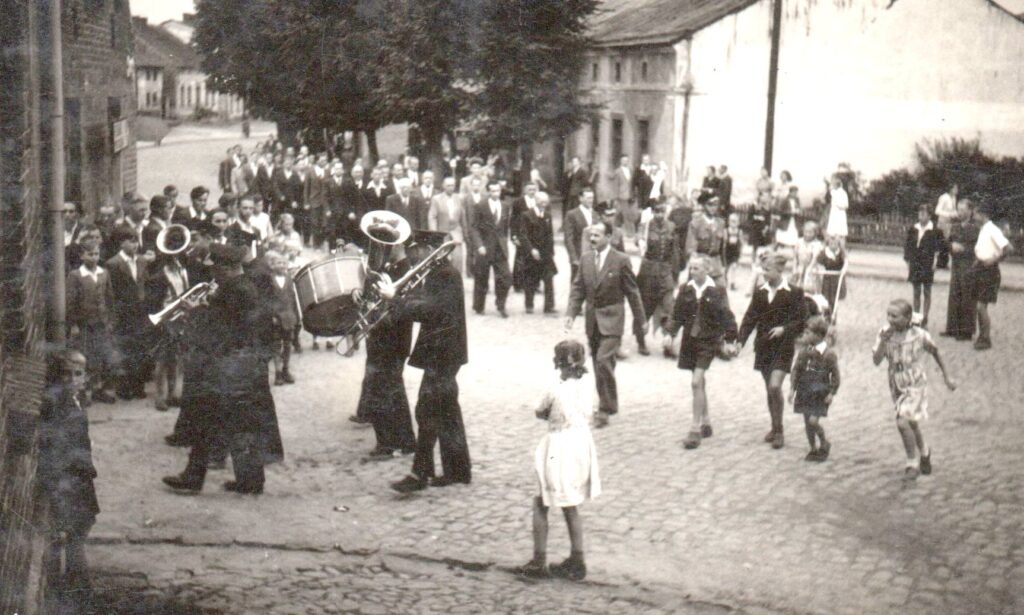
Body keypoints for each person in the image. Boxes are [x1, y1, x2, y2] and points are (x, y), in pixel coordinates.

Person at [163, 243, 283, 495]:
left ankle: (197, 477)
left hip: (233, 368)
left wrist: (196, 312)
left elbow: (224, 328)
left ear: (227, 268)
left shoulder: (239, 291)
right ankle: (247, 480)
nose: (212, 274)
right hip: (237, 368)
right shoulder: (236, 287)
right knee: (234, 424)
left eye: (216, 268)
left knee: (220, 421)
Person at [385, 231, 471, 492]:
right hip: (442, 351)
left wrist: (395, 299)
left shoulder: (445, 274)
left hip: (444, 352)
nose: (415, 253)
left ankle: (420, 474)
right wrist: (400, 299)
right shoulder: (437, 273)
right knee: (446, 410)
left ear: (430, 249)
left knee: (427, 409)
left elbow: (432, 310)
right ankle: (458, 470)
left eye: (419, 248)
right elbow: (424, 303)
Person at [515, 340, 600, 581]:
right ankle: (577, 558)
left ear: (558, 363)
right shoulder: (587, 383)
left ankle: (538, 560)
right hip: (581, 443)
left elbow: (539, 410)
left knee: (542, 501)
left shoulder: (554, 387)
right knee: (570, 503)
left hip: (559, 447)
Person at [565, 222, 646, 428]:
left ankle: (605, 408)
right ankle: (606, 401)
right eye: (591, 235)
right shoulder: (586, 259)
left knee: (602, 360)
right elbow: (578, 289)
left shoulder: (621, 260)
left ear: (609, 237)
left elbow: (632, 292)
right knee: (599, 363)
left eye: (597, 236)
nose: (592, 239)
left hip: (612, 319)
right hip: (593, 320)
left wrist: (641, 319)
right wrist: (571, 313)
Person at [39, 350, 100, 601]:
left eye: (78, 374)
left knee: (78, 531)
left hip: (80, 477)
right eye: (66, 373)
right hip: (67, 479)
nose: (71, 379)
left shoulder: (75, 399)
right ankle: (76, 592)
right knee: (69, 534)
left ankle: (76, 588)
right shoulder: (57, 402)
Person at [872, 299, 957, 480]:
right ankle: (925, 451)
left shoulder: (919, 335)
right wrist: (882, 343)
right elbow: (876, 360)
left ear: (907, 317)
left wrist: (947, 376)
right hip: (896, 383)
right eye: (888, 315)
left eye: (895, 316)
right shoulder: (884, 334)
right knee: (911, 423)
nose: (890, 319)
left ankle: (912, 463)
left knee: (902, 422)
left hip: (915, 382)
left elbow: (935, 351)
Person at [663, 256, 737, 449]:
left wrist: (730, 340)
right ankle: (706, 421)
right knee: (700, 382)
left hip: (708, 341)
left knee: (696, 381)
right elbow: (677, 314)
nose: (692, 271)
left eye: (696, 268)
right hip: (690, 340)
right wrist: (670, 333)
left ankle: (694, 430)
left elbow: (727, 316)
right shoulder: (686, 289)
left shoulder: (717, 290)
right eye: (691, 268)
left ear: (707, 270)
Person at [737, 252, 807, 449]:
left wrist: (785, 329)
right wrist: (740, 341)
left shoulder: (794, 292)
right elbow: (750, 318)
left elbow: (802, 320)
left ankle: (780, 430)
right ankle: (775, 427)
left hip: (783, 347)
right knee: (769, 389)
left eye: (767, 269)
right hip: (764, 346)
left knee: (775, 386)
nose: (763, 272)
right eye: (763, 269)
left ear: (779, 270)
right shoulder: (760, 292)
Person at [356, 244, 417, 455]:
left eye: (386, 244)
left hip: (394, 338)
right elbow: (372, 296)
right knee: (385, 389)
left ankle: (393, 442)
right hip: (379, 337)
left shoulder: (407, 270)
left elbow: (406, 307)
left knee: (388, 390)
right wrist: (360, 297)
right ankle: (398, 441)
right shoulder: (384, 267)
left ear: (398, 245)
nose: (380, 247)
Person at [66, 244, 117, 405]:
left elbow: (110, 298)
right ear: (82, 256)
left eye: (96, 254)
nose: (94, 257)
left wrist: (110, 320)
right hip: (85, 324)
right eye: (90, 254)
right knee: (86, 357)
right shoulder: (76, 275)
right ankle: (84, 392)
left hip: (101, 323)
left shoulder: (104, 273)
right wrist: (73, 325)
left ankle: (98, 389)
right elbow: (70, 303)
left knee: (102, 357)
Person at [789, 316, 840, 462]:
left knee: (813, 421)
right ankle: (812, 448)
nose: (804, 336)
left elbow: (835, 375)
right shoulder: (804, 352)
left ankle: (824, 442)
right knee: (807, 422)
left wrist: (832, 392)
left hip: (820, 393)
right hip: (804, 391)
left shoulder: (829, 354)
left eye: (807, 333)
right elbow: (796, 370)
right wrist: (792, 388)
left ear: (818, 335)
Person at [106, 226, 148, 400]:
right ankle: (124, 387)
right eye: (131, 241)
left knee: (140, 349)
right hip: (124, 313)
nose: (135, 244)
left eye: (136, 241)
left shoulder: (142, 261)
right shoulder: (113, 264)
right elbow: (111, 292)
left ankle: (138, 386)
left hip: (140, 312)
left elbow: (144, 284)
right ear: (121, 243)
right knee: (125, 350)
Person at [971, 202, 1013, 350]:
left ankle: (986, 338)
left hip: (989, 272)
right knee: (979, 306)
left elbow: (1008, 248)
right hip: (981, 269)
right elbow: (984, 250)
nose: (974, 216)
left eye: (976, 213)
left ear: (983, 214)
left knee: (981, 306)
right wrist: (978, 261)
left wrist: (994, 260)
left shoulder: (992, 229)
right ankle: (982, 336)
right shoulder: (983, 229)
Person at [636, 201, 676, 355]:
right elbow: (638, 239)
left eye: (662, 211)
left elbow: (674, 250)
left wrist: (674, 272)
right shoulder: (645, 227)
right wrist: (640, 242)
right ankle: (641, 341)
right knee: (645, 307)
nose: (659, 215)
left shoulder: (671, 226)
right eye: (656, 212)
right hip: (648, 272)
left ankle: (668, 343)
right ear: (652, 212)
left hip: (665, 272)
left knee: (669, 307)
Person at [468, 182, 512, 317]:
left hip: (500, 248)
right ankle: (479, 306)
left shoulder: (505, 206)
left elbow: (505, 227)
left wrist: (505, 242)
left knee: (505, 277)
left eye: (497, 191)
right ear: (488, 192)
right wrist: (479, 245)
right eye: (492, 191)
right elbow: (474, 227)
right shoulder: (480, 206)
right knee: (481, 278)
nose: (495, 194)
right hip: (485, 248)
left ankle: (501, 305)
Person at [941, 197, 979, 341]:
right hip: (956, 265)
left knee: (968, 297)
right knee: (954, 295)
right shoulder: (955, 226)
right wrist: (951, 247)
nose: (960, 212)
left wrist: (963, 248)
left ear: (970, 211)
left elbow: (978, 247)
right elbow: (947, 242)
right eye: (958, 209)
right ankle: (952, 328)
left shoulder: (975, 228)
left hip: (969, 265)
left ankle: (966, 331)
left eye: (963, 210)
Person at [518, 190, 557, 314]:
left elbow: (550, 235)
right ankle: (529, 304)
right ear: (535, 201)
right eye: (541, 202)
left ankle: (549, 306)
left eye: (546, 202)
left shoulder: (547, 216)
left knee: (549, 279)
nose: (543, 204)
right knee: (531, 279)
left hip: (545, 253)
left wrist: (551, 251)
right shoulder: (526, 215)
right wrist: (531, 249)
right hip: (532, 253)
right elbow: (523, 235)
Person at [903, 205, 942, 328]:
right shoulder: (913, 229)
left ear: (929, 216)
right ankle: (916, 317)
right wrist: (908, 261)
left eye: (924, 214)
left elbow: (939, 249)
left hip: (927, 264)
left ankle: (925, 318)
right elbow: (908, 246)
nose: (921, 216)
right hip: (915, 263)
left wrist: (937, 263)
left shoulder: (935, 231)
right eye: (919, 213)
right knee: (916, 291)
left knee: (926, 291)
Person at [266, 251, 298, 385]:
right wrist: (270, 315)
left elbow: (293, 298)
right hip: (275, 317)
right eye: (279, 262)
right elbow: (267, 299)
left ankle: (286, 369)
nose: (282, 265)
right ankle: (278, 373)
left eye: (284, 263)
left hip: (288, 316)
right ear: (272, 265)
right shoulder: (269, 279)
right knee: (276, 345)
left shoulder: (289, 279)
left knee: (287, 344)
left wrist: (296, 315)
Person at [685, 196, 728, 286]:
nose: (713, 208)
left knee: (721, 290)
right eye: (710, 205)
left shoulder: (720, 223)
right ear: (704, 205)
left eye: (715, 205)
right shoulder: (696, 223)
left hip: (716, 265)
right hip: (700, 263)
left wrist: (724, 265)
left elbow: (723, 247)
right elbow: (691, 247)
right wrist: (695, 264)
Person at [429, 176, 467, 276]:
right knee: (442, 259)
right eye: (448, 185)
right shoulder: (436, 199)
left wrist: (465, 232)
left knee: (458, 259)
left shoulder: (459, 198)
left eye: (453, 185)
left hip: (456, 232)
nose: (451, 187)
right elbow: (432, 217)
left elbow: (463, 217)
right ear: (443, 186)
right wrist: (434, 233)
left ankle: (457, 282)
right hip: (442, 233)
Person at [563, 188, 596, 283]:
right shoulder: (572, 214)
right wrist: (573, 257)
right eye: (588, 198)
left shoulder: (595, 214)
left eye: (592, 198)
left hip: (593, 254)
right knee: (577, 283)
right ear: (580, 199)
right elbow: (568, 238)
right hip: (579, 254)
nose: (591, 200)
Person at [817, 235, 846, 312]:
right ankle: (826, 312)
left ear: (838, 245)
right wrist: (820, 270)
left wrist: (843, 270)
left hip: (836, 277)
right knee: (825, 296)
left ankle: (834, 312)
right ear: (828, 244)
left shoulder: (840, 253)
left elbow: (845, 262)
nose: (833, 246)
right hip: (827, 277)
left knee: (834, 297)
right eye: (831, 244)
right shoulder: (824, 253)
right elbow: (818, 262)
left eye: (835, 244)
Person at [793, 220, 823, 295]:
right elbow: (795, 257)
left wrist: (809, 270)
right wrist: (794, 268)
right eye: (806, 231)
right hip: (800, 268)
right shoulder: (799, 242)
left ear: (815, 233)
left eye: (810, 232)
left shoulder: (817, 244)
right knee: (796, 290)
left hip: (811, 269)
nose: (807, 234)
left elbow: (815, 258)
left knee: (809, 290)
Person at [934, 183, 958, 269]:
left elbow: (953, 209)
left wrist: (955, 214)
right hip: (943, 223)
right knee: (943, 242)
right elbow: (937, 211)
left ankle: (944, 263)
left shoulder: (954, 198)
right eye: (955, 188)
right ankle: (940, 263)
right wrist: (949, 214)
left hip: (949, 223)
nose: (957, 190)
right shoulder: (944, 197)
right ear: (951, 189)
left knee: (948, 242)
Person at [611, 156, 636, 237]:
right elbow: (615, 185)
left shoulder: (630, 170)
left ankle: (614, 230)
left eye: (626, 160)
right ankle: (630, 233)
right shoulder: (618, 171)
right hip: (622, 195)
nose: (625, 162)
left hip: (630, 195)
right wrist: (615, 197)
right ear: (620, 161)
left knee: (624, 213)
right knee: (626, 214)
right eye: (623, 160)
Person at [825, 175, 849, 248]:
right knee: (833, 235)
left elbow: (845, 205)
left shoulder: (839, 193)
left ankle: (842, 254)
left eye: (832, 184)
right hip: (835, 215)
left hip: (839, 216)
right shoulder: (836, 192)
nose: (831, 186)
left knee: (840, 235)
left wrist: (839, 205)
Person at [723, 212, 743, 290]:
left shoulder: (739, 232)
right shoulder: (726, 231)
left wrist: (740, 253)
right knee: (726, 268)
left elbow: (741, 243)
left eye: (735, 221)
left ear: (738, 222)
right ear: (728, 222)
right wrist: (723, 253)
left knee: (734, 268)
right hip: (728, 251)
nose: (733, 223)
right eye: (731, 221)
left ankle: (733, 283)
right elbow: (724, 243)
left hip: (735, 252)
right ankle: (725, 281)